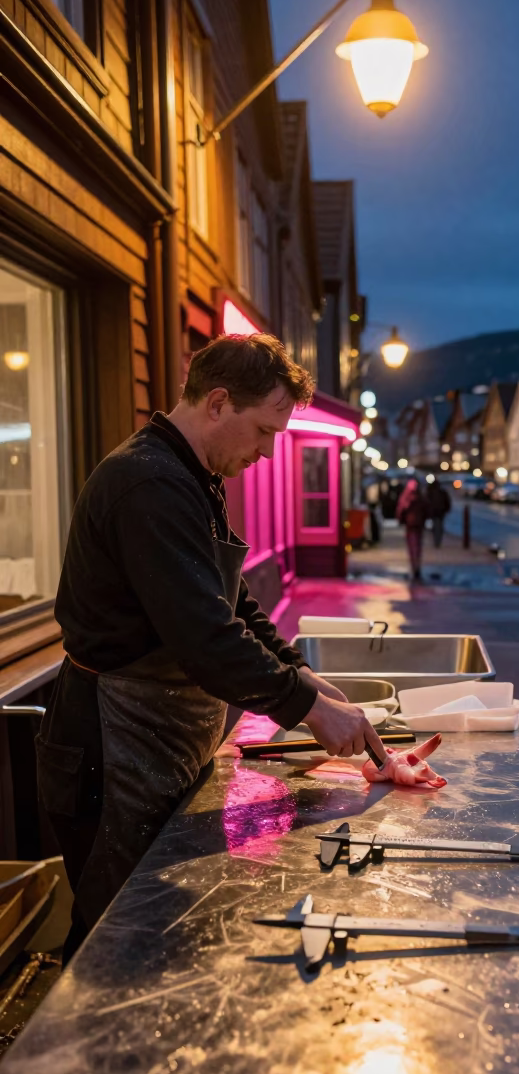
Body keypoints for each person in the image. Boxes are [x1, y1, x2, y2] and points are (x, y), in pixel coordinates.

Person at [38, 332, 385, 962]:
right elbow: (205, 638)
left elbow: (235, 601)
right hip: (112, 741)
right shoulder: (147, 484)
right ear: (219, 402)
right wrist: (307, 706)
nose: (266, 451)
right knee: (115, 931)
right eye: (263, 432)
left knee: (159, 912)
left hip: (161, 733)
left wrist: (300, 672)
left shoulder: (194, 477)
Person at [396, 477, 428, 581]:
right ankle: (416, 566)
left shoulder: (406, 498)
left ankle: (414, 566)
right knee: (418, 547)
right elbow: (427, 510)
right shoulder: (420, 498)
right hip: (418, 525)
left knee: (412, 547)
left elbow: (400, 510)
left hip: (410, 525)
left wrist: (401, 520)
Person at [426, 479, 451, 548]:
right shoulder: (442, 492)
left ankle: (437, 540)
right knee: (439, 526)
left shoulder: (431, 492)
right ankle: (437, 540)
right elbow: (447, 502)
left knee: (436, 526)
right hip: (440, 512)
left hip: (435, 512)